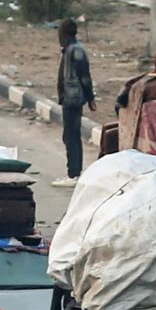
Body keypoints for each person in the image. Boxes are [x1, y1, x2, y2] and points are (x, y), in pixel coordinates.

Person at [53, 19, 94, 188]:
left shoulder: (76, 51)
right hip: (69, 99)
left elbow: (85, 77)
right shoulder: (69, 50)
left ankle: (74, 173)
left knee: (72, 136)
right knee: (70, 135)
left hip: (73, 99)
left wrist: (90, 98)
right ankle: (74, 172)